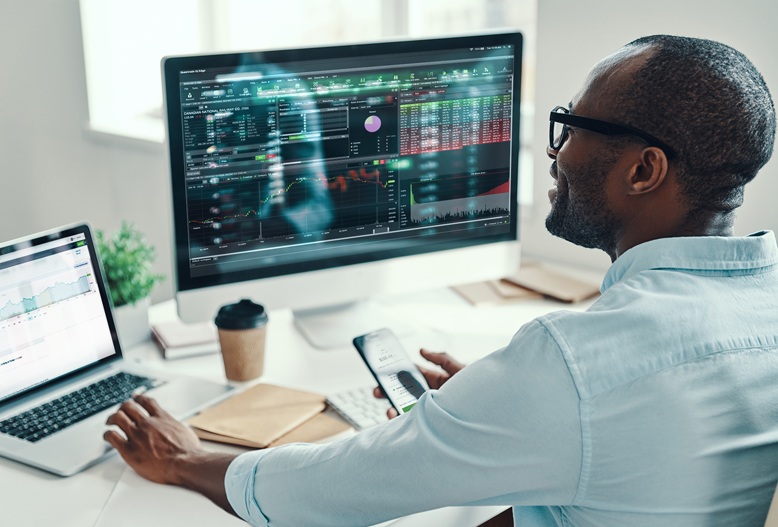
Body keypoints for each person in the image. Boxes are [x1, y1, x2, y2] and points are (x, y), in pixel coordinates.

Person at [104, 35, 778, 526]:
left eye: (568, 127)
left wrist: (188, 459)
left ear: (642, 170)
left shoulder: (572, 363)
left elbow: (339, 488)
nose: (552, 151)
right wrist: (505, 407)